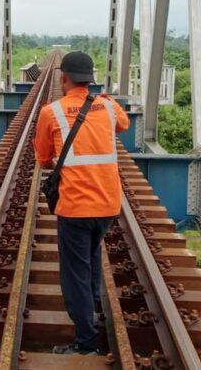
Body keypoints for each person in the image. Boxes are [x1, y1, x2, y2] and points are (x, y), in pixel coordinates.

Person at [33, 51, 130, 355]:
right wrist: (106, 102)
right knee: (91, 256)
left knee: (75, 274)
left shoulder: (52, 112)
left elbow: (43, 160)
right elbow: (123, 124)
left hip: (75, 207)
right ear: (90, 79)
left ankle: (86, 342)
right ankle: (94, 307)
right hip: (108, 204)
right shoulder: (109, 106)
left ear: (63, 78)